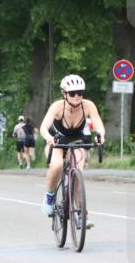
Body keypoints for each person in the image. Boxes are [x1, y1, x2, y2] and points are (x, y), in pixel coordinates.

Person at [40, 74, 106, 218]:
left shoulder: (88, 105)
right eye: (72, 93)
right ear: (64, 94)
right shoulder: (57, 107)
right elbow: (43, 127)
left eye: (80, 92)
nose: (77, 96)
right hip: (57, 142)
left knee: (78, 174)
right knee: (57, 166)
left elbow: (98, 124)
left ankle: (81, 212)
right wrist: (48, 138)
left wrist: (101, 135)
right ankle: (50, 196)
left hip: (76, 141)